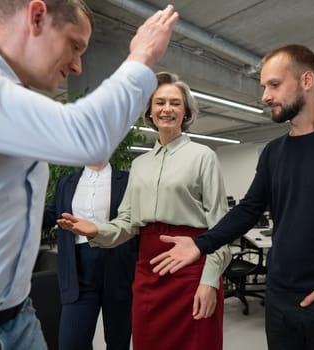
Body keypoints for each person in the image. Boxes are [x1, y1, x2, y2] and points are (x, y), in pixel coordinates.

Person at [0, 0, 178, 348]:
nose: (78, 66)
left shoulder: (6, 94)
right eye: (75, 45)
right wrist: (141, 57)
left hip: (16, 318)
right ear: (36, 17)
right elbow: (86, 137)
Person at [150, 45, 314, 350]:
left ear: (306, 81)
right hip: (279, 300)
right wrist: (201, 244)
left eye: (274, 84)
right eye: (264, 87)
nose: (265, 95)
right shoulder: (274, 152)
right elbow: (249, 209)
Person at [57, 72, 231, 350]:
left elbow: (221, 228)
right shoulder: (140, 164)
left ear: (186, 111)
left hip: (191, 268)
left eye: (175, 103)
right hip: (148, 272)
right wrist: (97, 230)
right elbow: (128, 222)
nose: (167, 109)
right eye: (160, 102)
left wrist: (210, 281)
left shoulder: (203, 156)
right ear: (149, 110)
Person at [42, 162, 137, 350]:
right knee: (71, 343)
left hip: (118, 265)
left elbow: (134, 222)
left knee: (118, 342)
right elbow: (50, 215)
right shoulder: (65, 183)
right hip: (78, 269)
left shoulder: (127, 181)